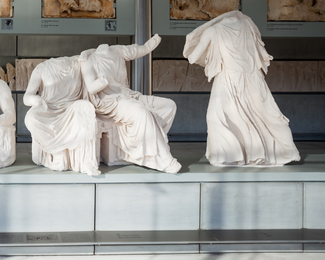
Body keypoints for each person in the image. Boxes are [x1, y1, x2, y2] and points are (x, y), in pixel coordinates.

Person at [183, 10, 300, 166]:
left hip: (227, 78)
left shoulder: (213, 30)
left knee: (220, 117)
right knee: (264, 115)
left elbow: (193, 58)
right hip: (252, 78)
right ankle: (286, 151)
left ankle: (226, 156)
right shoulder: (248, 25)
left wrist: (197, 46)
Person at [79, 35, 181, 173]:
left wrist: (153, 42)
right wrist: (101, 82)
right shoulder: (88, 59)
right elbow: (91, 88)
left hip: (128, 95)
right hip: (111, 102)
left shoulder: (117, 51)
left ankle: (147, 143)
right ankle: (163, 159)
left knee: (169, 106)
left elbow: (141, 49)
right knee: (142, 113)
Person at [23, 56, 100, 176]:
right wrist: (36, 100)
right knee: (31, 118)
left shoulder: (79, 65)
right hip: (48, 109)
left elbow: (95, 54)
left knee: (85, 107)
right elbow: (26, 97)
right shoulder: (41, 68)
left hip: (70, 108)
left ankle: (87, 162)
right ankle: (56, 152)